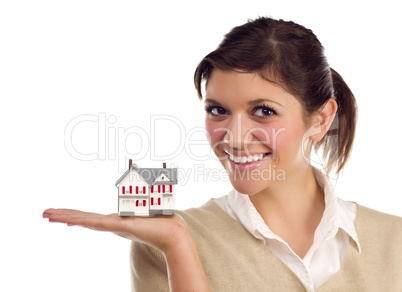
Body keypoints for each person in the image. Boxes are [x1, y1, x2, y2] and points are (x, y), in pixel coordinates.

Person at [43, 17, 402, 291]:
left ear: (321, 119)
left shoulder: (394, 241)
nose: (234, 137)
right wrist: (179, 247)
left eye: (264, 111)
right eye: (217, 110)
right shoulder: (162, 241)